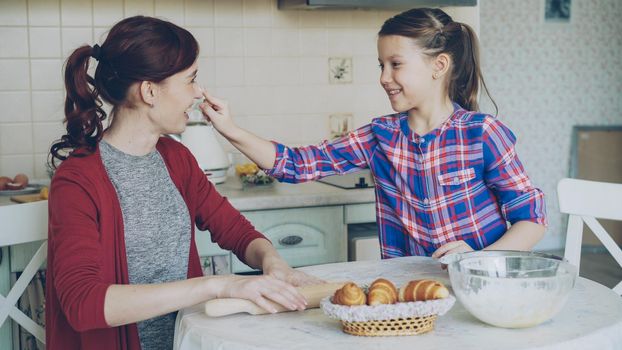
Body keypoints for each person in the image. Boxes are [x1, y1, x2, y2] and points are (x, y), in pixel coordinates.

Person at [46, 16, 319, 350]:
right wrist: (216, 286)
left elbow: (235, 230)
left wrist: (273, 263)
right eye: (191, 80)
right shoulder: (77, 181)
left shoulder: (176, 157)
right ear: (149, 91)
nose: (198, 93)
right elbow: (83, 304)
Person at [200, 8, 547, 260]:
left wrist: (479, 260)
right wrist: (230, 129)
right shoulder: (381, 136)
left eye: (395, 64)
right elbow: (296, 165)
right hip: (410, 294)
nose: (383, 77)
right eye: (381, 65)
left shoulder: (482, 134)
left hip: (482, 288)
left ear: (438, 67)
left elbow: (531, 219)